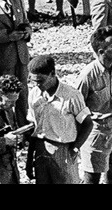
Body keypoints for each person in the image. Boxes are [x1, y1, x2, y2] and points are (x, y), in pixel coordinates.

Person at [29, 53, 92, 184]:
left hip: (64, 149)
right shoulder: (34, 94)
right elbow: (33, 128)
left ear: (52, 74)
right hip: (41, 148)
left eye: (41, 81)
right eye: (34, 81)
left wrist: (75, 148)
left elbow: (87, 124)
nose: (37, 85)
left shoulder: (71, 96)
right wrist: (29, 159)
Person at [77, 26, 112, 185]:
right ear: (101, 51)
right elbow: (76, 106)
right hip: (97, 130)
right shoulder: (88, 75)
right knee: (93, 177)